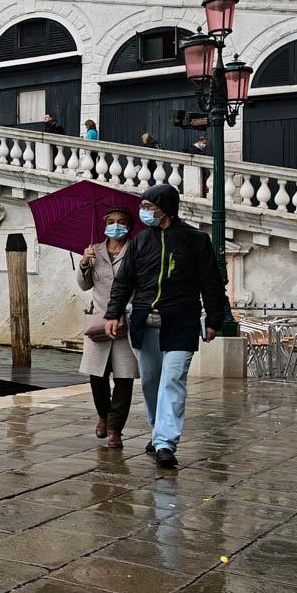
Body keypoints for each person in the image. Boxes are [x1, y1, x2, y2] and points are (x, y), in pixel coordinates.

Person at [104, 184, 228, 469]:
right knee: (150, 383)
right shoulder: (139, 242)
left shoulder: (195, 240)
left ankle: (165, 443)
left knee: (173, 382)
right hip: (144, 323)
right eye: (143, 206)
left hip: (181, 322)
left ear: (166, 208)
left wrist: (214, 318)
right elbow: (124, 282)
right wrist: (113, 314)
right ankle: (157, 429)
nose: (143, 212)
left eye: (149, 206)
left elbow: (211, 281)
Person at [78, 208, 138, 448]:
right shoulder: (95, 250)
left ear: (129, 226)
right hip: (99, 321)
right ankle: (103, 414)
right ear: (104, 224)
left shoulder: (137, 249)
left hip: (127, 321)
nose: (116, 226)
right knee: (97, 376)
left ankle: (115, 428)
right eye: (111, 222)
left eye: (121, 222)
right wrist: (84, 262)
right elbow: (84, 285)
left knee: (124, 379)